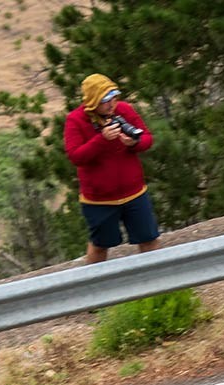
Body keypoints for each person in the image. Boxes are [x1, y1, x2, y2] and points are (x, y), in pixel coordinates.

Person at [63, 74, 161, 264]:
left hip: (135, 193)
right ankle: (95, 289)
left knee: (149, 240)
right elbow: (76, 157)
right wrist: (101, 140)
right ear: (93, 101)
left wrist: (134, 143)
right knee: (100, 245)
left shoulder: (123, 110)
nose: (112, 104)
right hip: (99, 200)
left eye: (114, 97)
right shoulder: (75, 120)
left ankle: (161, 286)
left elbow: (147, 138)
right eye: (106, 100)